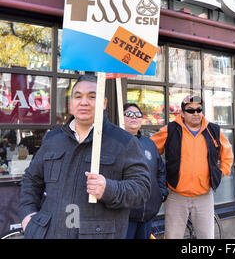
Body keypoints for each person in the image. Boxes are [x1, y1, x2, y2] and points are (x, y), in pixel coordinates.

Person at [18, 75, 151, 239]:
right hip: (49, 233)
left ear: (104, 103)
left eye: (92, 96)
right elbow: (31, 180)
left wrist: (108, 189)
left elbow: (142, 189)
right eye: (78, 96)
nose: (84, 102)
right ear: (71, 104)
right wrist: (28, 215)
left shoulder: (124, 142)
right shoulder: (53, 139)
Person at [151, 95, 234, 239]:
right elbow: (150, 151)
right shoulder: (170, 129)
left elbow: (227, 155)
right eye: (190, 110)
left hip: (204, 196)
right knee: (172, 236)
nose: (195, 113)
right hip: (176, 196)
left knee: (206, 237)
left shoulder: (213, 130)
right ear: (182, 113)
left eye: (199, 109)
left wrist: (220, 173)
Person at [123, 103, 168, 239]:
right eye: (129, 114)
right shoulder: (114, 142)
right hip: (124, 214)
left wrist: (161, 192)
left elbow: (160, 170)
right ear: (122, 117)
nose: (134, 117)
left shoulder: (149, 143)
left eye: (138, 115)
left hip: (147, 213)